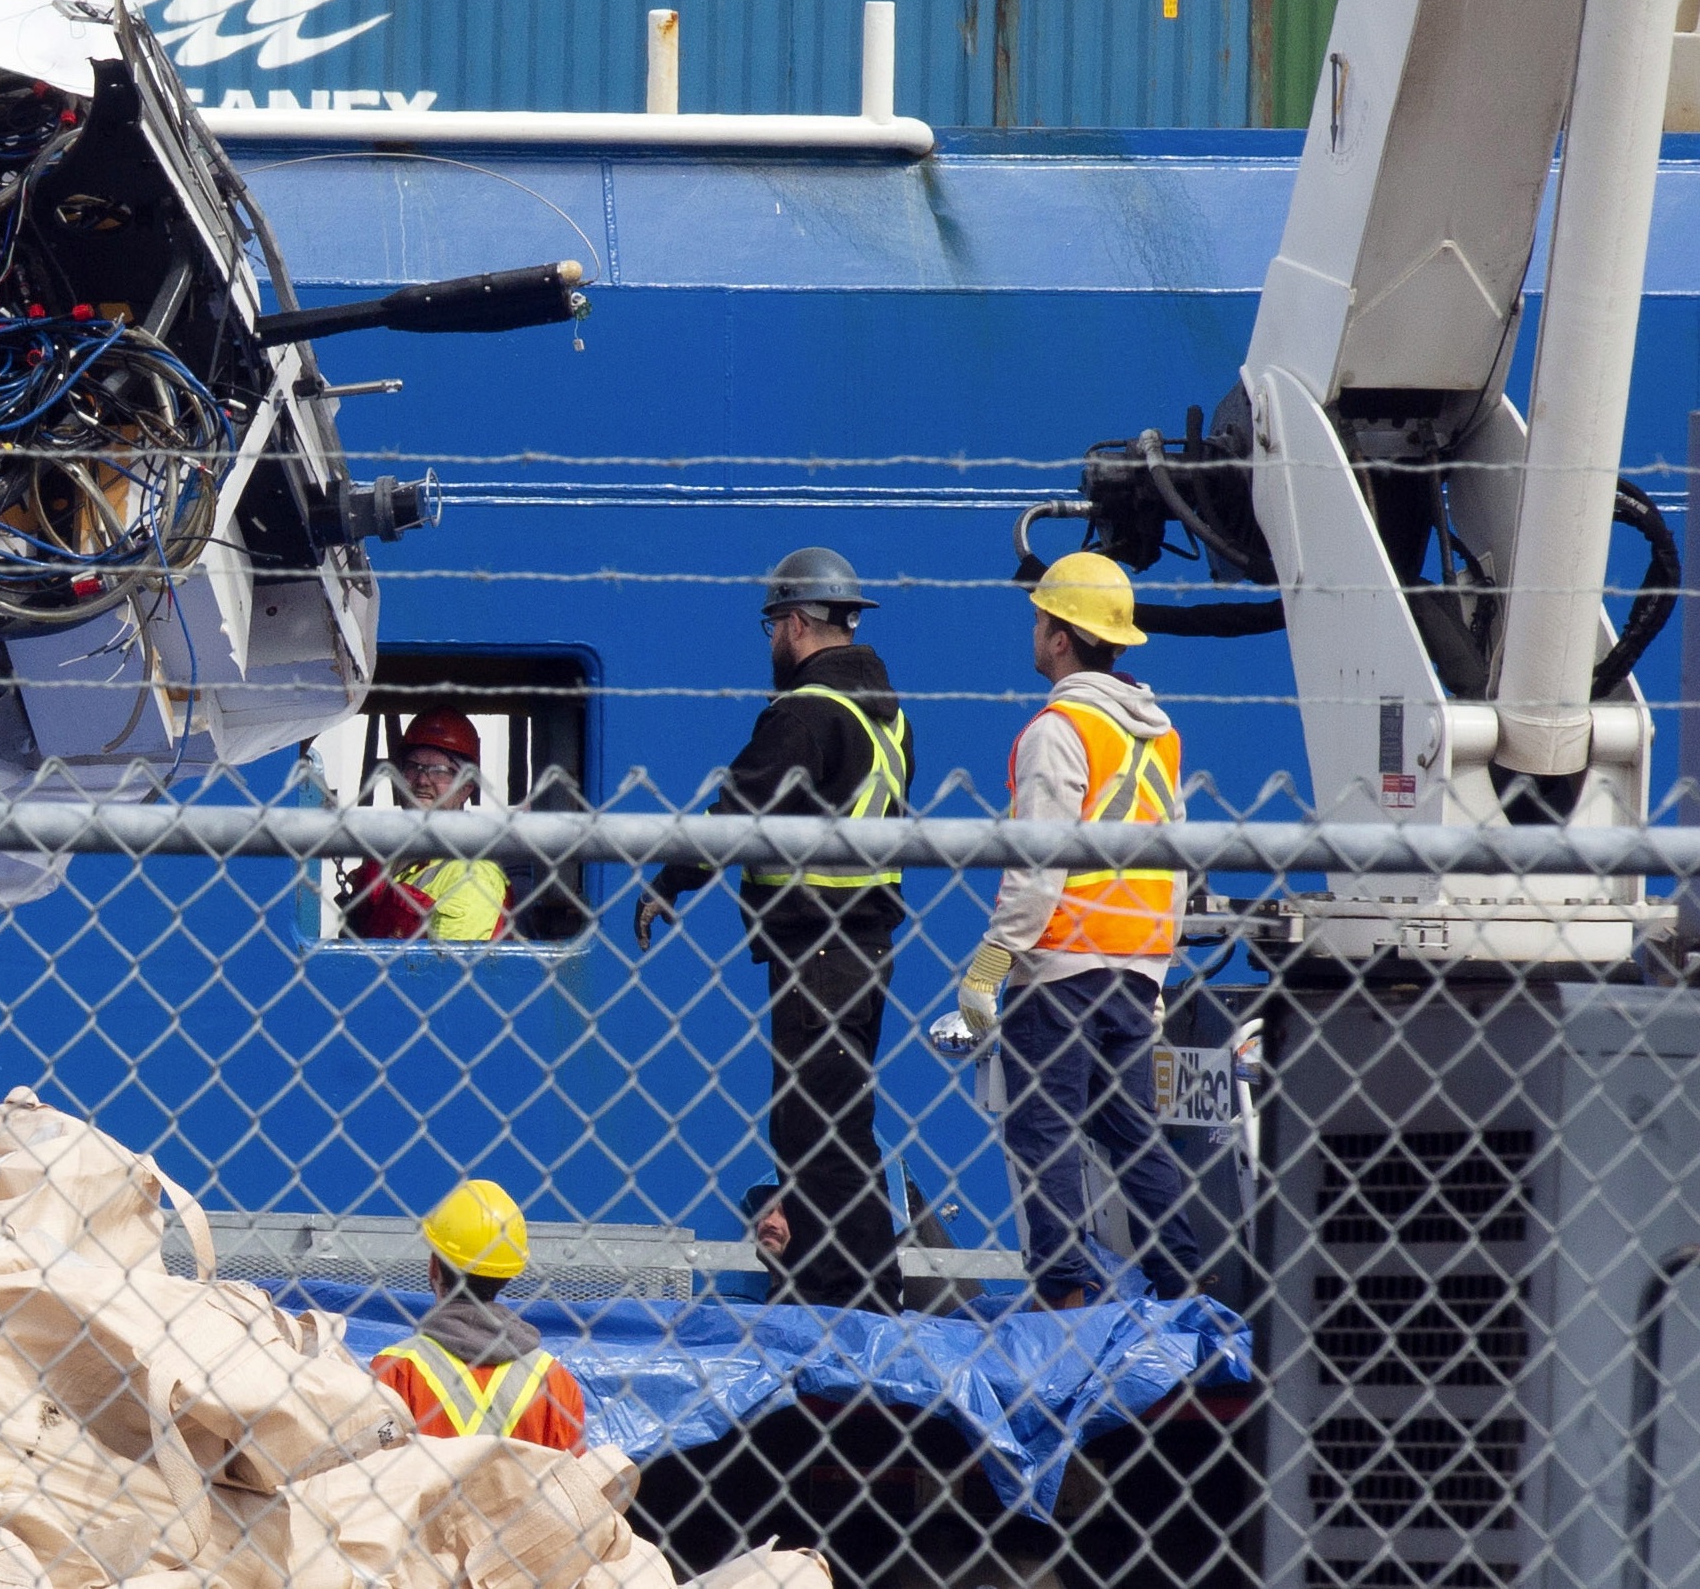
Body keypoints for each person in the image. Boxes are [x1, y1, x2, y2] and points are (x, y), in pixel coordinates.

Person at [632, 547, 913, 1311]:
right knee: (837, 1119)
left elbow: (740, 809)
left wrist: (671, 883)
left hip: (818, 945)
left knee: (811, 1126)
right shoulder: (884, 714)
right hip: (865, 943)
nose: (771, 644)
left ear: (794, 621)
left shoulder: (805, 712)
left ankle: (843, 1294)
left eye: (772, 626)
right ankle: (854, 1287)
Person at [955, 550, 1207, 1309]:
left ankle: (1065, 1291)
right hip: (1134, 968)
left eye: (1039, 619)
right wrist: (1156, 972)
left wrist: (993, 960)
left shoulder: (1057, 730)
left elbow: (1039, 859)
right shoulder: (1156, 735)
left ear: (1061, 635)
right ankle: (1183, 1282)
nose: (1033, 632)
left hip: (1061, 963)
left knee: (1042, 1128)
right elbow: (1175, 859)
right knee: (1132, 1134)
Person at [370, 1181, 587, 1449]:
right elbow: (572, 1487)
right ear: (507, 1276)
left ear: (434, 1268)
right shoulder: (555, 1383)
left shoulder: (395, 1371)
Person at [339, 708, 514, 942]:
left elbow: (448, 972)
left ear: (465, 789)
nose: (422, 780)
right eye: (413, 767)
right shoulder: (385, 853)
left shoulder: (474, 876)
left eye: (440, 771)